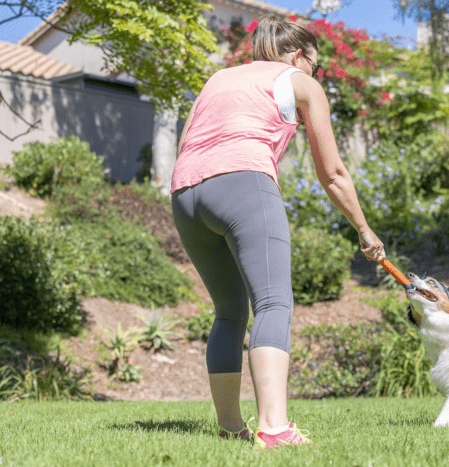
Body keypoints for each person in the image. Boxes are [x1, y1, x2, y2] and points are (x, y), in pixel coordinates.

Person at [170, 15, 386, 451]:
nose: (315, 74)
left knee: (229, 312)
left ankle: (230, 428)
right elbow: (333, 174)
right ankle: (274, 429)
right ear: (297, 55)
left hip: (185, 193)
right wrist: (364, 229)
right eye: (315, 65)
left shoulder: (218, 78)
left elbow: (185, 147)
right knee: (272, 302)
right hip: (243, 181)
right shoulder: (299, 81)